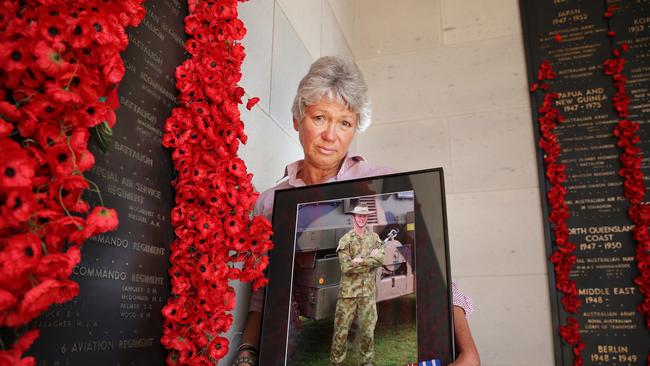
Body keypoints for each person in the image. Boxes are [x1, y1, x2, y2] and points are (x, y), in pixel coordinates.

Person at [234, 56, 480, 366]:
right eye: (320, 117)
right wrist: (246, 353)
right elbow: (264, 292)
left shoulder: (386, 186)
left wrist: (468, 351)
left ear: (354, 128)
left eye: (344, 123)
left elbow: (436, 272)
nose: (330, 135)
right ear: (298, 119)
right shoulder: (270, 203)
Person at [330, 204, 383, 365]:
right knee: (341, 332)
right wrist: (369, 260)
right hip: (348, 295)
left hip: (367, 293)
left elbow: (379, 260)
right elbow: (345, 268)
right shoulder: (346, 240)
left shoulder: (374, 238)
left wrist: (359, 260)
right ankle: (336, 363)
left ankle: (367, 363)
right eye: (359, 216)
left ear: (367, 218)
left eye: (365, 216)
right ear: (353, 218)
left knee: (368, 332)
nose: (362, 219)